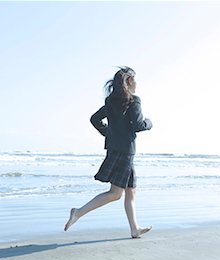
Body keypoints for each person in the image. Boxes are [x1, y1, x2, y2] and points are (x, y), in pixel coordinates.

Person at [64, 67, 153, 238]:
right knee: (115, 194)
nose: (136, 84)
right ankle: (78, 212)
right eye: (134, 80)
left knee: (131, 191)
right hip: (125, 152)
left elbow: (94, 119)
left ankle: (135, 229)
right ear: (129, 82)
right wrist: (149, 123)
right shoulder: (134, 101)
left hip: (117, 149)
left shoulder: (111, 101)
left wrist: (108, 133)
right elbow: (138, 125)